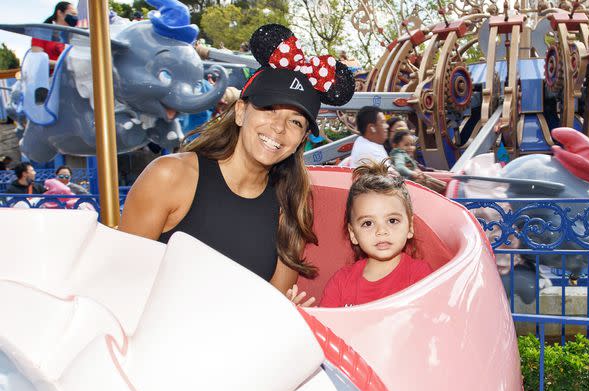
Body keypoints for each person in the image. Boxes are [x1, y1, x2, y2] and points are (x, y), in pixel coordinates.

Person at [119, 23, 355, 296]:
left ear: (301, 141)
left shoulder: (290, 208)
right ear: (241, 112)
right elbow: (122, 281)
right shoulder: (170, 176)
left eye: (295, 121)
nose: (279, 128)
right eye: (269, 109)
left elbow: (273, 305)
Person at [319, 161, 434, 307]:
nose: (381, 231)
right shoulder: (341, 282)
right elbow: (325, 326)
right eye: (368, 223)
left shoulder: (420, 275)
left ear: (410, 227)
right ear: (353, 234)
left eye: (392, 220)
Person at [31, 2, 78, 71]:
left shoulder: (74, 37)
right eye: (73, 13)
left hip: (70, 78)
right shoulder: (41, 33)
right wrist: (64, 65)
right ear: (60, 13)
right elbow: (37, 60)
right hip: (49, 79)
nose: (75, 17)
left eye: (76, 15)